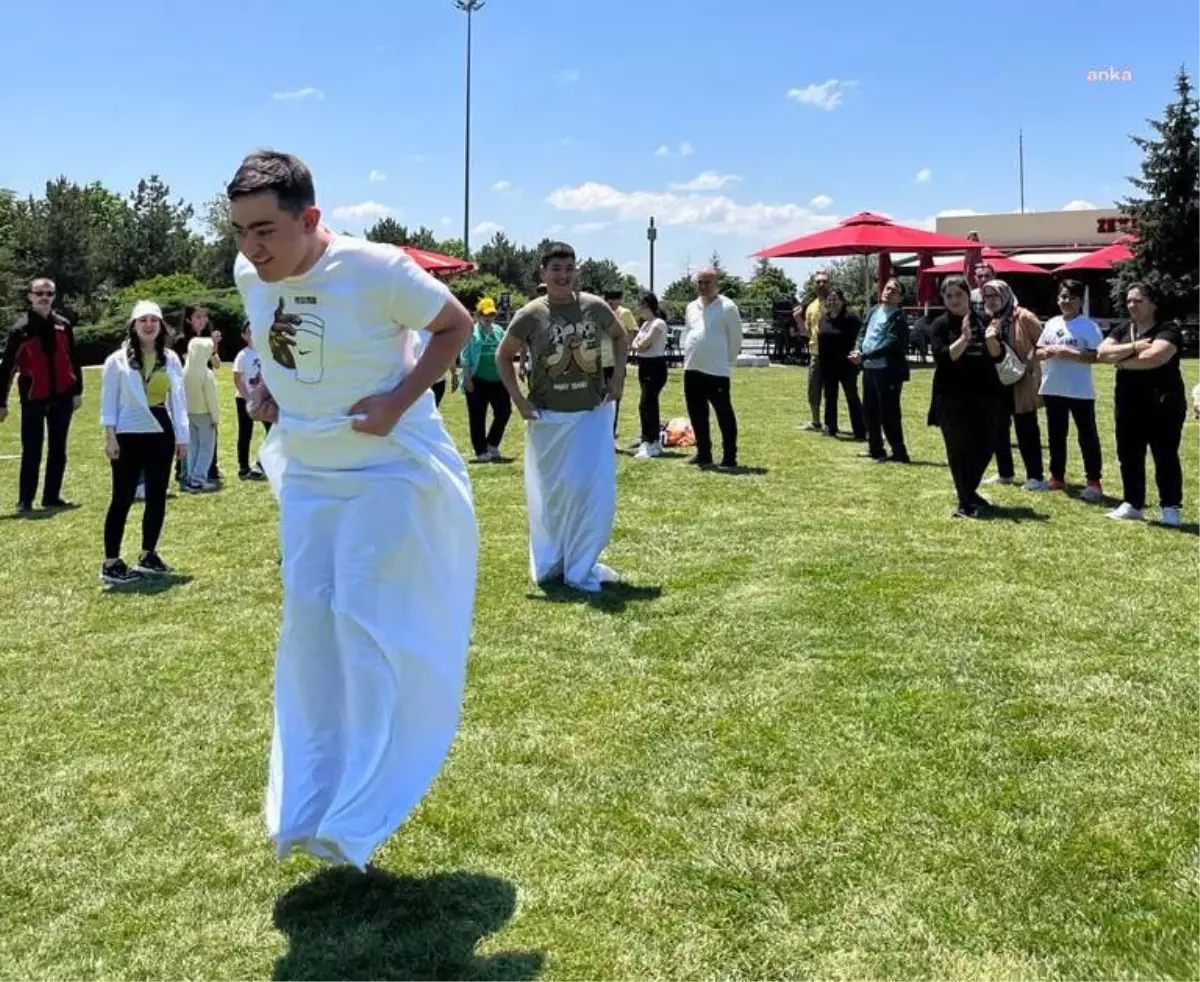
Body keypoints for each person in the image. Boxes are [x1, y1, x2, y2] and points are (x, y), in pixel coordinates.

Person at [227, 149, 477, 868]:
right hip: (308, 471)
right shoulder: (250, 274)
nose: (253, 247)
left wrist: (399, 402)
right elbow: (268, 333)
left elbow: (454, 327)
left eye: (268, 229)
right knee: (308, 622)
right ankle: (311, 800)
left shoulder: (377, 268)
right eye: (242, 231)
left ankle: (363, 811)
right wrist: (270, 392)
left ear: (311, 218)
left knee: (361, 617)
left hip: (385, 472)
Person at [495, 241, 628, 592]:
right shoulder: (530, 314)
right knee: (553, 496)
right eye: (555, 269)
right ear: (543, 272)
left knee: (589, 492)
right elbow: (503, 356)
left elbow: (620, 336)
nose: (563, 275)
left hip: (589, 416)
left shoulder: (594, 307)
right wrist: (520, 402)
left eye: (569, 268)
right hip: (548, 419)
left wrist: (617, 378)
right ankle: (553, 560)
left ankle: (581, 563)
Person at [99, 301, 189, 585]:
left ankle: (149, 554)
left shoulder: (170, 358)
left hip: (161, 430)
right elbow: (108, 402)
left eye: (154, 320)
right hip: (128, 431)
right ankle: (111, 562)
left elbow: (179, 401)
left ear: (161, 325)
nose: (149, 325)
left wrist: (182, 437)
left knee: (157, 494)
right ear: (133, 325)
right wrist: (110, 436)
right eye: (143, 321)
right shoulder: (117, 360)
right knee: (122, 498)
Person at [1096, 281, 1186, 525]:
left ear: (1153, 303)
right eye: (1128, 301)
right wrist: (1134, 346)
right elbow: (1102, 353)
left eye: (1138, 300)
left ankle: (1170, 507)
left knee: (1164, 455)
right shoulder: (1124, 329)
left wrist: (1122, 361)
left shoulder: (1168, 329)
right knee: (1129, 454)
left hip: (1163, 402)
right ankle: (1132, 503)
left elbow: (1154, 357)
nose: (1131, 305)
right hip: (1128, 402)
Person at [0, 277, 83, 513]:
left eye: (49, 293)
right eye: (39, 293)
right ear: (30, 297)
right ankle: (25, 500)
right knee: (32, 449)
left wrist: (78, 391)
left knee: (59, 447)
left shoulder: (63, 325)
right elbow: (7, 368)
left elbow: (74, 360)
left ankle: (52, 496)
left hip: (63, 395)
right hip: (33, 397)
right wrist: (1, 402)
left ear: (54, 297)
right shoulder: (21, 329)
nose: (44, 297)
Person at [928, 276, 1002, 518]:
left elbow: (997, 356)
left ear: (968, 296)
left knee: (987, 444)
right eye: (948, 296)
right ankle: (965, 503)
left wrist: (992, 339)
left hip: (985, 393)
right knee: (959, 449)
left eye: (958, 295)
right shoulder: (939, 324)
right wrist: (963, 339)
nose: (954, 300)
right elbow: (942, 357)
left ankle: (968, 491)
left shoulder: (985, 320)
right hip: (951, 396)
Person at [1035, 279, 1104, 501]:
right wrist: (1046, 352)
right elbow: (1038, 350)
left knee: (1087, 435)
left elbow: (1097, 356)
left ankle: (1093, 480)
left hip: (1079, 390)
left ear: (1080, 301)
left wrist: (1069, 352)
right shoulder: (1052, 323)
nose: (1066, 301)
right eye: (1063, 297)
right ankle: (1056, 477)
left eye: (1072, 298)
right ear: (1058, 299)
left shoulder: (1088, 326)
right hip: (1053, 387)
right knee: (1056, 434)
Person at [980, 279, 1048, 491]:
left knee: (1026, 427)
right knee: (998, 428)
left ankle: (1035, 476)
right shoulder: (989, 319)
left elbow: (1043, 343)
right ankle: (1005, 472)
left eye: (994, 295)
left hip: (1022, 381)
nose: (991, 300)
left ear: (1006, 294)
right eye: (987, 296)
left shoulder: (1023, 316)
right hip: (998, 381)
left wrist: (1029, 362)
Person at [682, 267, 743, 469]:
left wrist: (727, 361)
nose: (703, 286)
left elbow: (735, 339)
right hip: (692, 368)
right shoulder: (691, 307)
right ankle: (704, 453)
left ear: (717, 284)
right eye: (699, 282)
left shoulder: (728, 307)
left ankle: (729, 456)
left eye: (707, 282)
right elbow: (690, 332)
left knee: (723, 413)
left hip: (716, 370)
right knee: (697, 414)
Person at [852, 277, 910, 463]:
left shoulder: (898, 317)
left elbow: (890, 344)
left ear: (899, 298)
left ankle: (899, 453)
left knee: (889, 413)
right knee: (869, 410)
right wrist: (857, 348)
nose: (888, 292)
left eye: (894, 290)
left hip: (888, 371)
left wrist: (865, 355)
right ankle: (875, 448)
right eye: (887, 288)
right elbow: (863, 332)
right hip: (870, 369)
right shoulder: (874, 311)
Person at [461, 297, 512, 461]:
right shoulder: (472, 333)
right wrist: (467, 379)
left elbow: (505, 352)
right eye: (485, 315)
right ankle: (481, 450)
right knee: (477, 415)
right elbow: (465, 357)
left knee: (504, 411)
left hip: (498, 380)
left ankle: (492, 443)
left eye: (492, 315)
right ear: (478, 316)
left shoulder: (499, 331)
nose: (489, 319)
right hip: (477, 380)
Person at [816, 287, 865, 439]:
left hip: (846, 364)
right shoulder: (824, 318)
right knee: (830, 396)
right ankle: (830, 427)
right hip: (827, 364)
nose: (832, 302)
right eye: (829, 299)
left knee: (852, 396)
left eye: (835, 299)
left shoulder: (851, 317)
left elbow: (860, 337)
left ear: (842, 301)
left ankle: (860, 430)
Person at [631, 291, 670, 459]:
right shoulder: (645, 324)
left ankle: (648, 441)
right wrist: (639, 344)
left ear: (647, 305)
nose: (638, 309)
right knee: (649, 404)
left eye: (640, 305)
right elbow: (635, 343)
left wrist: (639, 344)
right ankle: (653, 440)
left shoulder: (658, 323)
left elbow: (645, 343)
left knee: (646, 404)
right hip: (644, 366)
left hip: (655, 366)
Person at [182, 336, 220, 492]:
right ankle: (198, 479)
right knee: (206, 447)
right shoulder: (206, 374)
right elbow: (212, 400)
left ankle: (191, 476)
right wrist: (216, 418)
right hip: (205, 414)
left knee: (193, 446)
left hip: (189, 414)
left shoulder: (184, 372)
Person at [233, 322, 270, 479]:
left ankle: (262, 463)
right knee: (245, 433)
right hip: (244, 399)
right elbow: (237, 379)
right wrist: (248, 398)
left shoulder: (267, 353)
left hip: (264, 399)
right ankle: (243, 466)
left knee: (272, 431)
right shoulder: (243, 355)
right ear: (244, 336)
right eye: (249, 332)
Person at [602, 288, 639, 444]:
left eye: (614, 299)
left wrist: (626, 346)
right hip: (599, 361)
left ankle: (611, 434)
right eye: (608, 298)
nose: (610, 302)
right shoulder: (600, 310)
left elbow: (632, 330)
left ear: (619, 300)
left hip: (615, 362)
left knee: (614, 397)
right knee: (598, 399)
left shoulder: (624, 313)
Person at [796, 269, 830, 431]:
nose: (821, 284)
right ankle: (816, 422)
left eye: (824, 281)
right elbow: (807, 333)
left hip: (834, 354)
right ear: (813, 285)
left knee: (833, 390)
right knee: (813, 388)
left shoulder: (835, 302)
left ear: (830, 283)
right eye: (818, 282)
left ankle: (832, 423)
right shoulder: (810, 307)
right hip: (816, 353)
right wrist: (797, 319)